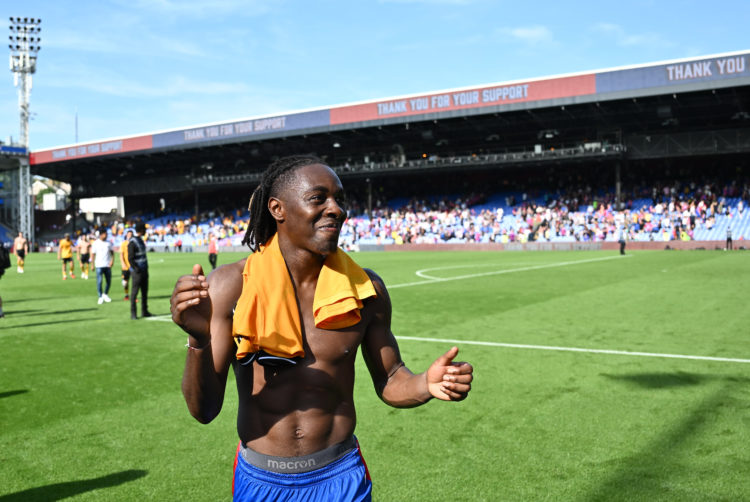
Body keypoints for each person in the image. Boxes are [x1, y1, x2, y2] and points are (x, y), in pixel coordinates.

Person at [170, 156, 474, 501]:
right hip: (261, 480)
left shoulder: (365, 289)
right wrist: (199, 339)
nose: (337, 209)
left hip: (341, 477)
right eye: (319, 198)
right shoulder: (230, 286)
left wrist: (425, 384)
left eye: (340, 199)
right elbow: (204, 410)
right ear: (277, 209)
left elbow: (390, 378)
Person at [128, 223, 152, 319]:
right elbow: (130, 258)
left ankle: (144, 311)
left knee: (144, 292)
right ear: (141, 230)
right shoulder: (133, 242)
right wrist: (137, 269)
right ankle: (133, 313)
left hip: (144, 270)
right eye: (144, 229)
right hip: (137, 272)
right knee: (134, 293)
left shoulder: (140, 240)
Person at [91, 229, 114, 304]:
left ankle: (105, 294)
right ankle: (100, 296)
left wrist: (112, 261)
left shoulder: (108, 243)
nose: (106, 235)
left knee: (109, 281)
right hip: (99, 265)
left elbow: (112, 253)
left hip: (107, 265)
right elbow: (93, 254)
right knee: (99, 281)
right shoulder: (96, 243)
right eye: (105, 234)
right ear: (101, 235)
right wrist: (92, 264)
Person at [120, 230, 133, 301]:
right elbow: (121, 255)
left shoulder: (134, 243)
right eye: (129, 234)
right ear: (126, 235)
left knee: (135, 282)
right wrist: (123, 263)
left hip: (133, 266)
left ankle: (134, 297)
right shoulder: (123, 244)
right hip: (125, 266)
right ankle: (126, 295)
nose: (130, 236)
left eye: (131, 235)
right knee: (125, 283)